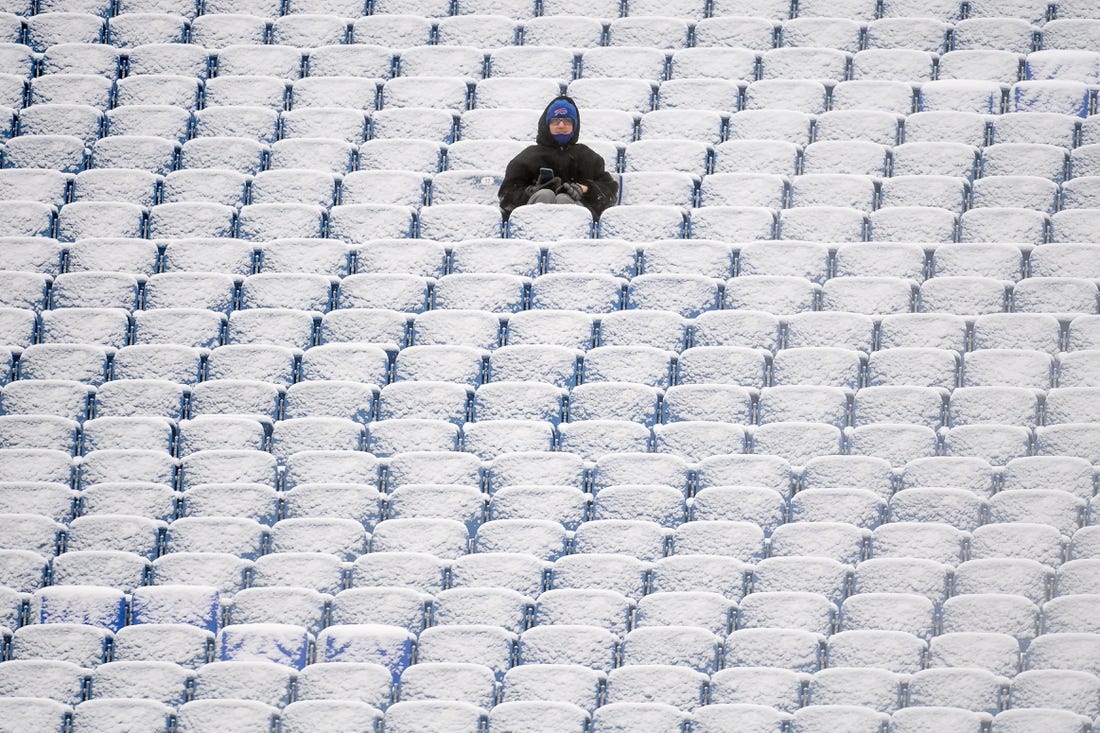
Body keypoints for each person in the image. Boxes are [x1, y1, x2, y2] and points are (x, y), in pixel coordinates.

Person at [497, 95, 619, 221]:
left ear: (574, 125)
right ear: (547, 125)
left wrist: (586, 189)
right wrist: (530, 192)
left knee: (564, 199)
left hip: (576, 222)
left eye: (567, 121)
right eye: (555, 121)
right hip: (533, 221)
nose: (561, 125)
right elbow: (506, 197)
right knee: (545, 195)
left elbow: (610, 195)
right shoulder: (527, 157)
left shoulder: (589, 157)